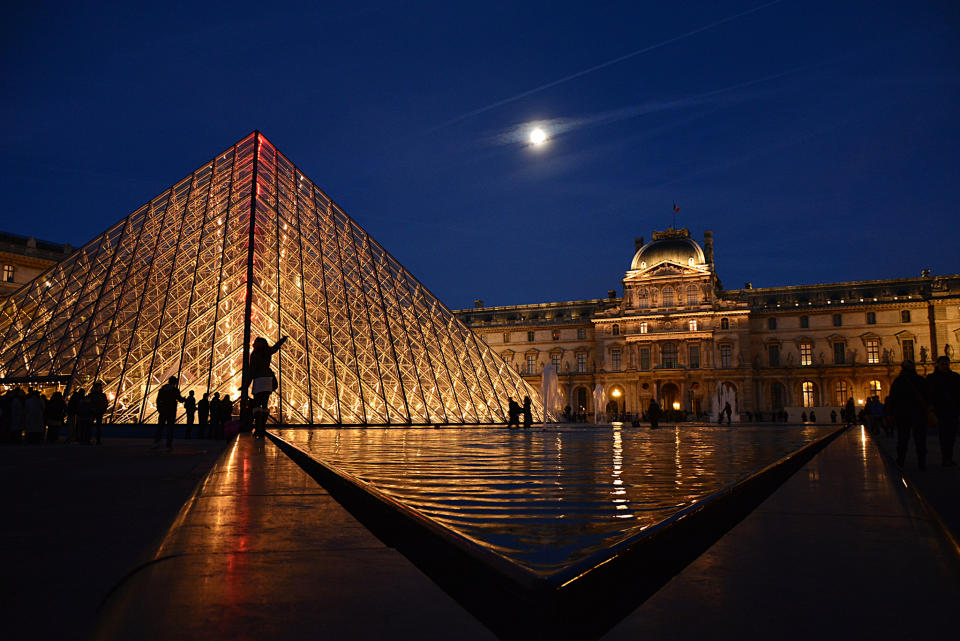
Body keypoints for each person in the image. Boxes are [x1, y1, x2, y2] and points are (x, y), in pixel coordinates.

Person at [242, 336, 288, 439]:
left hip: (259, 379)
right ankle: (262, 429)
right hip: (268, 380)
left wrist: (246, 385)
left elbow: (252, 371)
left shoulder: (255, 354)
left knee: (257, 405)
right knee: (264, 405)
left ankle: (258, 429)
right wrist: (283, 340)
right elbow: (275, 347)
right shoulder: (267, 351)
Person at [887, 360, 929, 470]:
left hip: (903, 413)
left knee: (902, 438)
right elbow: (927, 396)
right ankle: (922, 462)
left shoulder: (898, 381)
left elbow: (892, 399)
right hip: (918, 413)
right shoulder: (920, 380)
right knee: (920, 439)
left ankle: (901, 460)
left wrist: (890, 414)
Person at [927, 356, 960, 467]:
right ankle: (946, 458)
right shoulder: (932, 378)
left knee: (951, 436)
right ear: (938, 365)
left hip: (952, 410)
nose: (945, 367)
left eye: (947, 364)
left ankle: (948, 457)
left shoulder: (955, 377)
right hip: (940, 411)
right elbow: (929, 395)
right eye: (943, 365)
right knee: (944, 436)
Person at [154, 376, 185, 450]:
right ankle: (168, 445)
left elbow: (158, 400)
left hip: (163, 410)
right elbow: (180, 399)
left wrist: (159, 408)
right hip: (171, 411)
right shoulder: (175, 390)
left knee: (160, 427)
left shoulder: (162, 390)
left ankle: (156, 443)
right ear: (175, 382)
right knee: (170, 428)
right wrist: (183, 399)